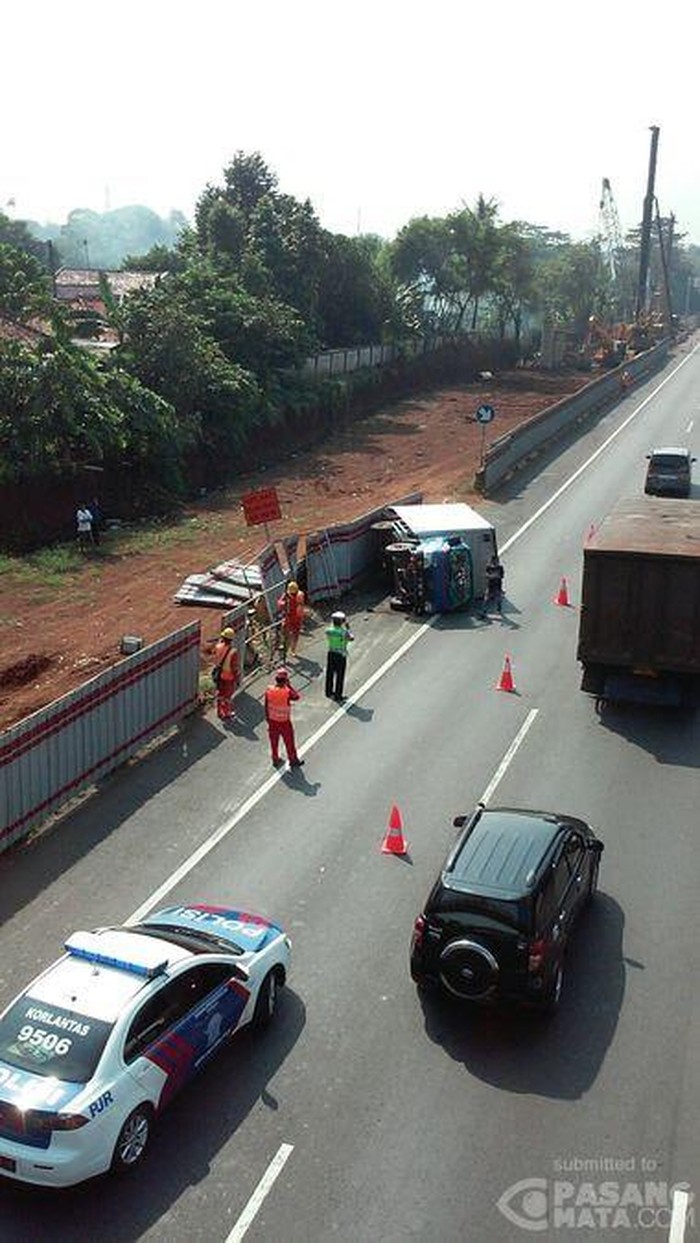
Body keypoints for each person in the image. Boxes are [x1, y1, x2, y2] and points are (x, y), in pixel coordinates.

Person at [264, 667, 303, 768]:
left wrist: (268, 719)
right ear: (285, 680)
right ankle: (293, 760)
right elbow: (297, 697)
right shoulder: (287, 692)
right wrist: (289, 685)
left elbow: (266, 706)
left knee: (274, 742)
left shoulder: (269, 690)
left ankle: (275, 759)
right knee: (289, 742)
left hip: (272, 721)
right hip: (284, 722)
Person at [325, 610, 354, 702]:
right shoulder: (344, 632)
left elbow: (331, 628)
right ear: (342, 621)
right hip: (341, 655)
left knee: (330, 673)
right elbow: (351, 638)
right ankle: (338, 695)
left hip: (331, 653)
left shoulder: (329, 630)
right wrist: (348, 628)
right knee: (340, 675)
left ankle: (328, 692)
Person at [212, 627, 240, 721]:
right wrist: (237, 678)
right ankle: (227, 713)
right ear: (231, 639)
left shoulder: (217, 647)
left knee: (220, 693)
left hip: (219, 675)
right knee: (227, 696)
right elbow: (234, 668)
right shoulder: (233, 652)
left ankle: (219, 712)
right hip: (229, 677)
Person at [277, 580, 306, 657]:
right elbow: (279, 603)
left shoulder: (299, 595)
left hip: (296, 617)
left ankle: (292, 649)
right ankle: (285, 648)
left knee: (295, 635)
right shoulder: (287, 595)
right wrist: (284, 604)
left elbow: (300, 606)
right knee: (286, 632)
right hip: (289, 617)